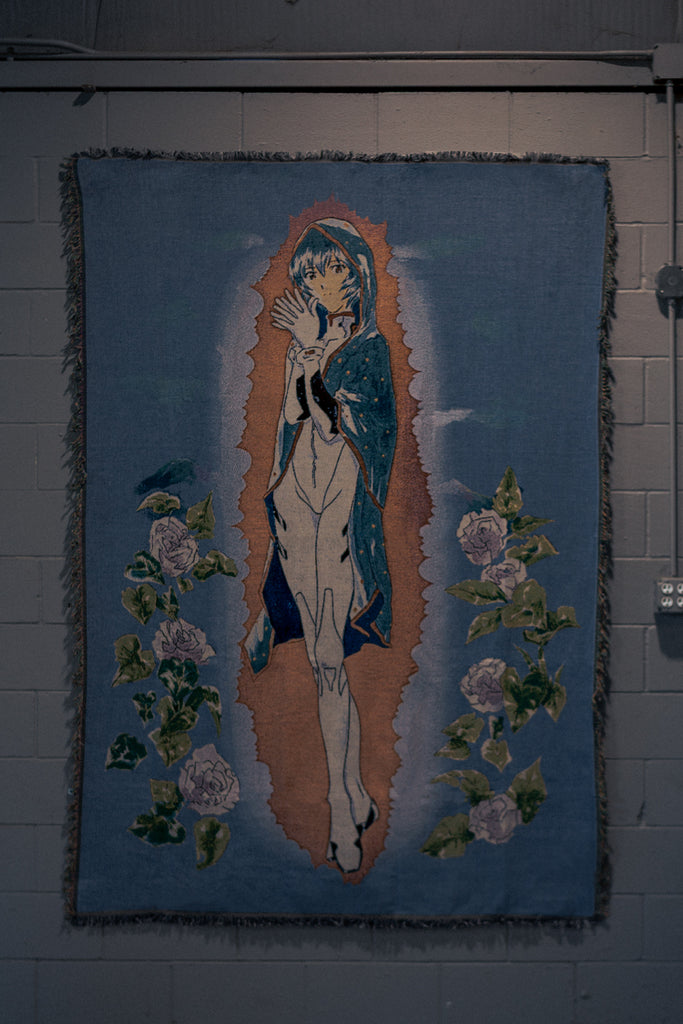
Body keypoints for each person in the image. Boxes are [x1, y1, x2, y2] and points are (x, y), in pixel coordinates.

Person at [246, 217, 397, 872]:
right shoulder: (307, 341)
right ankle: (353, 794)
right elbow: (290, 420)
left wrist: (314, 356)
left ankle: (341, 803)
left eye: (326, 269)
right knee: (322, 660)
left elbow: (339, 429)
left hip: (339, 517)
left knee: (330, 658)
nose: (313, 281)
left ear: (354, 276)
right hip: (296, 512)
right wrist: (303, 355)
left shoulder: (368, 351)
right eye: (306, 272)